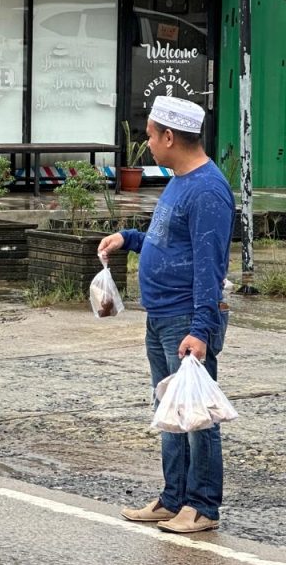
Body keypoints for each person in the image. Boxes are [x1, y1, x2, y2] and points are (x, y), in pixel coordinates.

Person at [98, 95, 233, 534]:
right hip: (161, 316)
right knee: (169, 408)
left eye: (151, 135)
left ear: (170, 137)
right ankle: (173, 497)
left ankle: (203, 505)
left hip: (185, 320)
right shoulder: (179, 179)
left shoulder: (208, 190)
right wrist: (130, 237)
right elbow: (169, 239)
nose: (147, 143)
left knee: (196, 413)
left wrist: (200, 330)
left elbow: (209, 267)